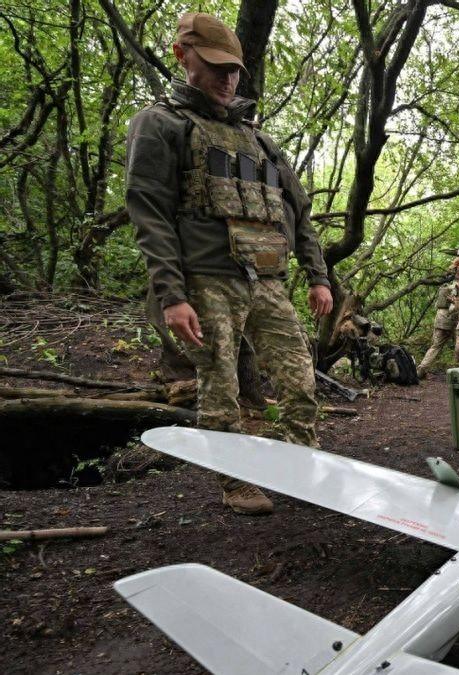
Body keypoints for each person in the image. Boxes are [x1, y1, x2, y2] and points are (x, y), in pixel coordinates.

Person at [126, 12, 333, 516]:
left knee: (300, 381)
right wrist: (172, 295)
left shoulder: (260, 141)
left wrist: (318, 275)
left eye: (234, 69)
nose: (228, 78)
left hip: (266, 278)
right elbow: (149, 211)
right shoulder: (161, 124)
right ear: (183, 56)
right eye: (216, 66)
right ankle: (236, 481)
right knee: (220, 384)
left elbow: (296, 212)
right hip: (206, 279)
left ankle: (297, 467)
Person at [416, 270, 459, 378]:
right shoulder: (455, 287)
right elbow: (456, 305)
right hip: (450, 318)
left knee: (435, 346)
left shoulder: (443, 287)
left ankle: (421, 369)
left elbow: (437, 305)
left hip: (439, 317)